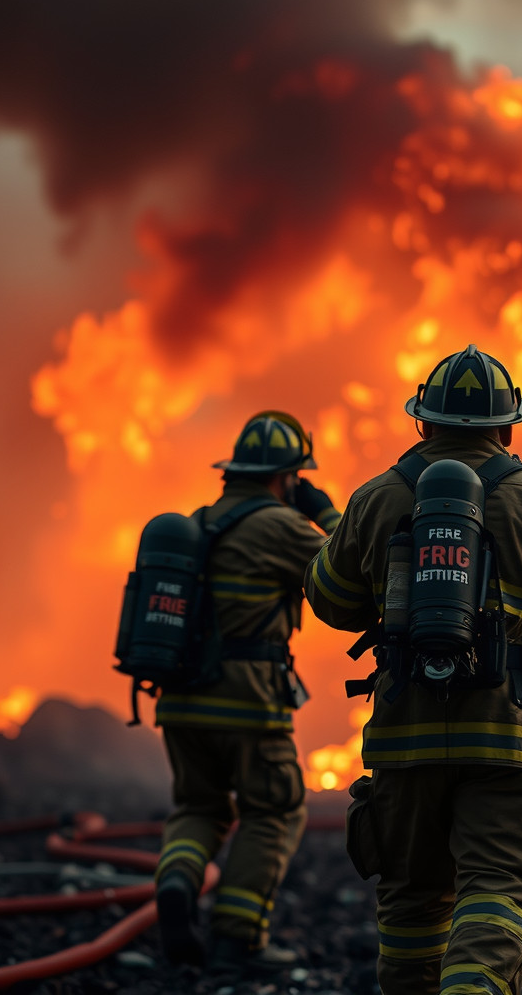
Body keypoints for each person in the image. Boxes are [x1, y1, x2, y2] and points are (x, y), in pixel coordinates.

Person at [306, 345, 522, 995]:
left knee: (411, 900)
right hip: (505, 738)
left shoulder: (374, 499)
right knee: (501, 884)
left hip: (404, 740)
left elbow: (329, 600)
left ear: (422, 422)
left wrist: (352, 538)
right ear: (507, 425)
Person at [152, 411, 343, 970]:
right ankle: (238, 936)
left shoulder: (200, 522)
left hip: (181, 700)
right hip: (248, 701)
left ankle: (177, 883)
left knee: (200, 805)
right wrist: (324, 512)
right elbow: (353, 572)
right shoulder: (279, 527)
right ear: (286, 476)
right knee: (275, 809)